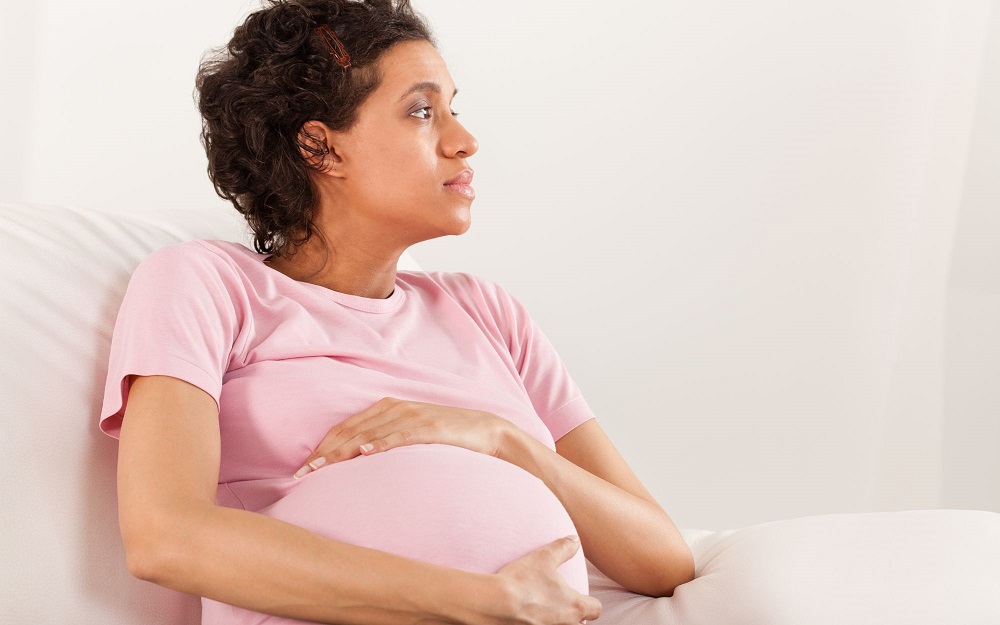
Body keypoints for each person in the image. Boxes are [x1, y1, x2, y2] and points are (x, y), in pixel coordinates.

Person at [99, 1, 695, 623]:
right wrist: (478, 601)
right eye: (421, 111)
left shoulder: (487, 313)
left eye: (453, 109)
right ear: (318, 146)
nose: (464, 142)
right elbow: (166, 537)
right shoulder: (208, 285)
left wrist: (501, 440)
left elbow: (663, 560)